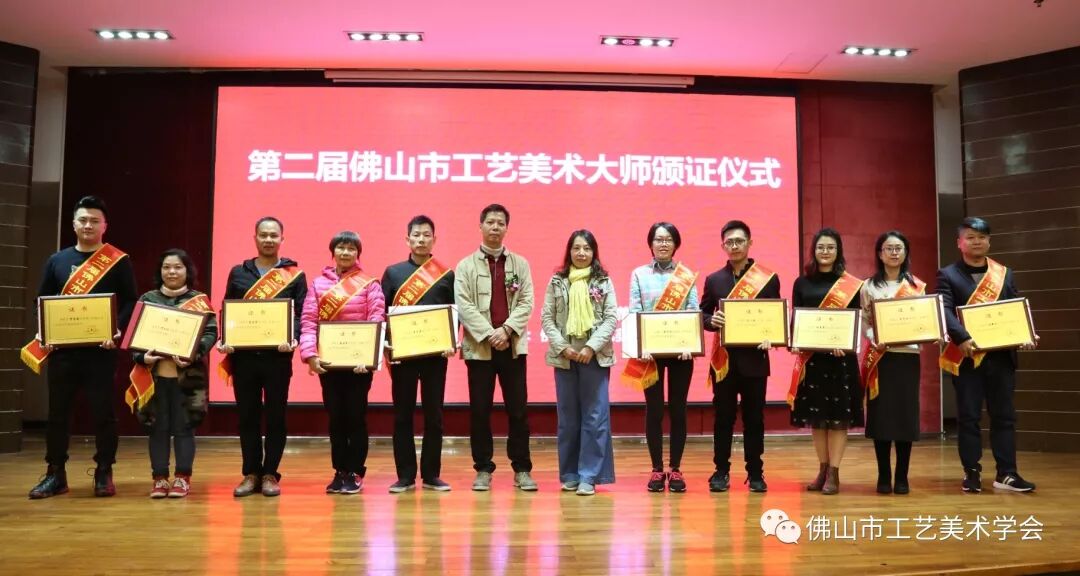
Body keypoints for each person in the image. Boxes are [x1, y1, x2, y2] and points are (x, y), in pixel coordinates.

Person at [25, 195, 139, 499]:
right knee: (58, 414)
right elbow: (41, 301)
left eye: (94, 221)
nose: (88, 225)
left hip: (101, 351)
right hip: (63, 352)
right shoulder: (57, 260)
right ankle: (55, 474)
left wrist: (116, 329)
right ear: (74, 224)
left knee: (103, 412)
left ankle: (104, 471)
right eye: (83, 220)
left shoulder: (118, 260)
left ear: (105, 226)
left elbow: (130, 300)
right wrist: (45, 330)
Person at [937, 217, 1037, 493]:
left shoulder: (1004, 274)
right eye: (970, 237)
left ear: (989, 242)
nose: (976, 242)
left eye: (982, 237)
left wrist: (1026, 334)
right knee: (969, 417)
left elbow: (1015, 308)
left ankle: (1007, 474)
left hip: (1001, 358)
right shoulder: (947, 275)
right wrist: (962, 337)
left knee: (1004, 416)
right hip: (967, 357)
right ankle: (971, 472)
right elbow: (944, 310)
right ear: (959, 243)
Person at [218, 216, 307, 497]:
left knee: (276, 416)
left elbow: (301, 313)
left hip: (277, 358)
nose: (269, 239)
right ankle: (251, 473)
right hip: (244, 358)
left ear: (282, 239)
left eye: (273, 235)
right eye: (264, 235)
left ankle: (270, 473)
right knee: (247, 417)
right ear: (255, 238)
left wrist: (293, 337)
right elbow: (227, 309)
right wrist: (226, 338)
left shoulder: (295, 275)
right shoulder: (238, 272)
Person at [455, 204, 537, 491]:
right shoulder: (465, 266)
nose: (495, 227)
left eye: (500, 223)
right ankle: (483, 469)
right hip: (480, 349)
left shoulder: (520, 264)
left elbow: (527, 301)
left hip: (512, 346)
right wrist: (490, 333)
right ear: (480, 226)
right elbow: (463, 304)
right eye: (490, 222)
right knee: (480, 411)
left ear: (506, 228)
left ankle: (522, 469)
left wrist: (506, 330)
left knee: (518, 411)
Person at [300, 231, 385, 495]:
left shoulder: (370, 284)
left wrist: (369, 359)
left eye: (351, 248)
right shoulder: (318, 285)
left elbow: (377, 320)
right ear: (333, 252)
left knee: (356, 417)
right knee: (336, 418)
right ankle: (340, 471)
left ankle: (356, 471)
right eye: (341, 248)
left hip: (359, 366)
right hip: (329, 364)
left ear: (358, 254)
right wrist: (310, 356)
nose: (345, 252)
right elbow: (309, 321)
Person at [699, 220, 780, 493]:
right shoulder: (714, 280)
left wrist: (772, 336)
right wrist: (711, 321)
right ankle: (720, 471)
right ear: (723, 245)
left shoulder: (767, 278)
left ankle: (755, 472)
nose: (734, 246)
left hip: (755, 361)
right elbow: (703, 314)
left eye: (739, 241)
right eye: (729, 242)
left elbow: (775, 316)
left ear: (749, 243)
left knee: (754, 419)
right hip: (724, 362)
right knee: (723, 418)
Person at [130, 249, 218, 498]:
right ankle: (159, 479)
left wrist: (193, 353)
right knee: (157, 428)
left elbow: (211, 332)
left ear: (187, 271)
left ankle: (182, 478)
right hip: (154, 377)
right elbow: (134, 335)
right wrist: (141, 357)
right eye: (167, 267)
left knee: (184, 427)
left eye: (178, 267)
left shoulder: (199, 300)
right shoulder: (147, 299)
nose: (172, 272)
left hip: (188, 377)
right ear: (160, 271)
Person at [540, 229, 618, 496]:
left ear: (594, 252)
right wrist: (563, 347)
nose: (581, 253)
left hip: (594, 357)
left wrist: (590, 347)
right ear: (569, 251)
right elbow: (547, 318)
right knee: (568, 418)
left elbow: (611, 318)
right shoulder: (557, 281)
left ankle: (589, 475)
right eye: (576, 248)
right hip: (565, 359)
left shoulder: (603, 281)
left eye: (586, 248)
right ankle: (571, 474)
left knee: (595, 418)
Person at [381, 215, 456, 493]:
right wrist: (386, 343)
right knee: (403, 415)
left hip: (436, 356)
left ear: (434, 240)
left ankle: (432, 474)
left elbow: (454, 312)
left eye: (426, 235)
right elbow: (382, 312)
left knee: (434, 415)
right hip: (404, 356)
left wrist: (451, 340)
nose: (421, 240)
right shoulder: (393, 273)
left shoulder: (446, 274)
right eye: (416, 235)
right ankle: (405, 475)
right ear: (407, 239)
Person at [624, 222, 699, 493]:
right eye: (658, 239)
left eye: (668, 239)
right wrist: (641, 345)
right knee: (654, 410)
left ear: (676, 244)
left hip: (681, 353)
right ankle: (657, 469)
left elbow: (693, 311)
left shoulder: (685, 275)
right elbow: (635, 311)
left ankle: (675, 468)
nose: (663, 244)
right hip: (650, 354)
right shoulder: (639, 274)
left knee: (678, 409)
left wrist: (690, 343)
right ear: (651, 244)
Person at [789, 227, 864, 495]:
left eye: (831, 247)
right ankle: (822, 469)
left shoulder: (850, 284)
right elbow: (796, 317)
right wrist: (796, 340)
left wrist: (846, 344)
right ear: (814, 250)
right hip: (813, 360)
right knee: (817, 418)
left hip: (840, 359)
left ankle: (834, 472)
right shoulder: (802, 283)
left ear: (838, 251)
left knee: (838, 419)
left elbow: (856, 319)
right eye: (821, 247)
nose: (825, 251)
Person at [860, 231, 926, 495]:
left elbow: (923, 321)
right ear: (880, 253)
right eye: (889, 248)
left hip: (907, 357)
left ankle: (902, 476)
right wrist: (873, 338)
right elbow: (865, 320)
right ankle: (884, 475)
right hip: (881, 357)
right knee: (881, 417)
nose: (894, 252)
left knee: (904, 416)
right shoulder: (868, 286)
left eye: (899, 248)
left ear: (905, 252)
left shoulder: (916, 286)